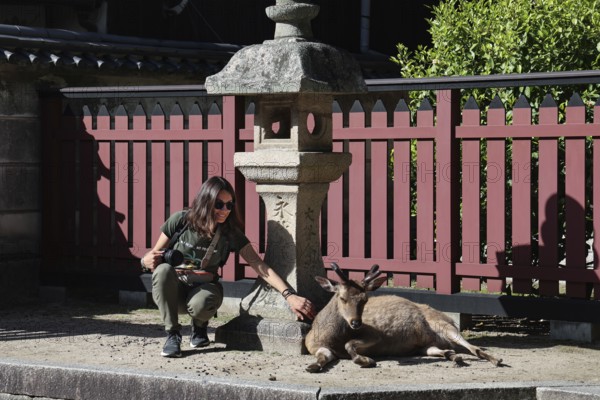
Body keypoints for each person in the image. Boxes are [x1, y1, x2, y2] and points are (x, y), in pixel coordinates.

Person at [140, 176, 316, 357]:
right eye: (219, 204)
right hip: (175, 291)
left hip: (203, 289)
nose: (225, 210)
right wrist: (145, 261)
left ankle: (199, 326)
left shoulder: (230, 233)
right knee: (162, 270)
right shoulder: (180, 221)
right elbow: (153, 256)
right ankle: (172, 334)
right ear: (205, 202)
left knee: (202, 303)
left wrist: (289, 296)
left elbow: (259, 265)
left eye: (229, 205)